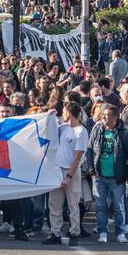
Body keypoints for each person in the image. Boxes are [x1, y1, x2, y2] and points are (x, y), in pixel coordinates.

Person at [86, 102, 128, 243]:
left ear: (115, 118)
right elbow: (89, 150)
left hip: (117, 178)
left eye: (107, 116)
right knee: (101, 206)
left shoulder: (123, 132)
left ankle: (120, 232)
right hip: (99, 176)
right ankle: (103, 231)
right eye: (103, 116)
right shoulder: (97, 129)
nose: (104, 118)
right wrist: (91, 170)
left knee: (119, 207)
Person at [44, 100, 86, 245]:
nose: (62, 114)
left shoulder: (81, 131)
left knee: (73, 204)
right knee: (54, 203)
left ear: (69, 113)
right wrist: (49, 116)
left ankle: (75, 233)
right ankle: (55, 232)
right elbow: (48, 130)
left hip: (71, 171)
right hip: (57, 170)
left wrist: (68, 176)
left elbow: (78, 156)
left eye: (64, 112)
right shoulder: (62, 128)